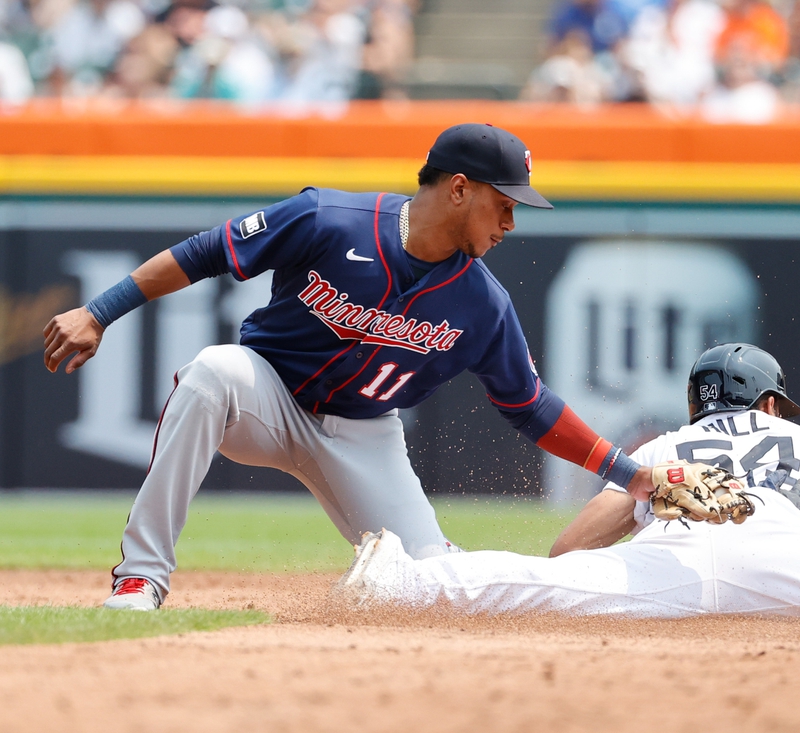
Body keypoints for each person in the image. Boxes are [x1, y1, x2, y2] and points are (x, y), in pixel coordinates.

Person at [43, 123, 657, 611]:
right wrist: (100, 311)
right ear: (460, 188)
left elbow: (531, 406)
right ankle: (141, 579)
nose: (511, 222)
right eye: (504, 203)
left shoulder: (483, 303)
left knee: (433, 586)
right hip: (267, 398)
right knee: (211, 373)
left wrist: (631, 475)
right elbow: (206, 252)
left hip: (364, 436)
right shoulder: (329, 219)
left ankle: (404, 575)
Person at [337, 343, 800, 622]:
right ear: (769, 402)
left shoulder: (667, 441)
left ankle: (401, 580)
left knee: (520, 584)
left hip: (671, 559)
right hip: (791, 558)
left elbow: (589, 528)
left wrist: (562, 576)